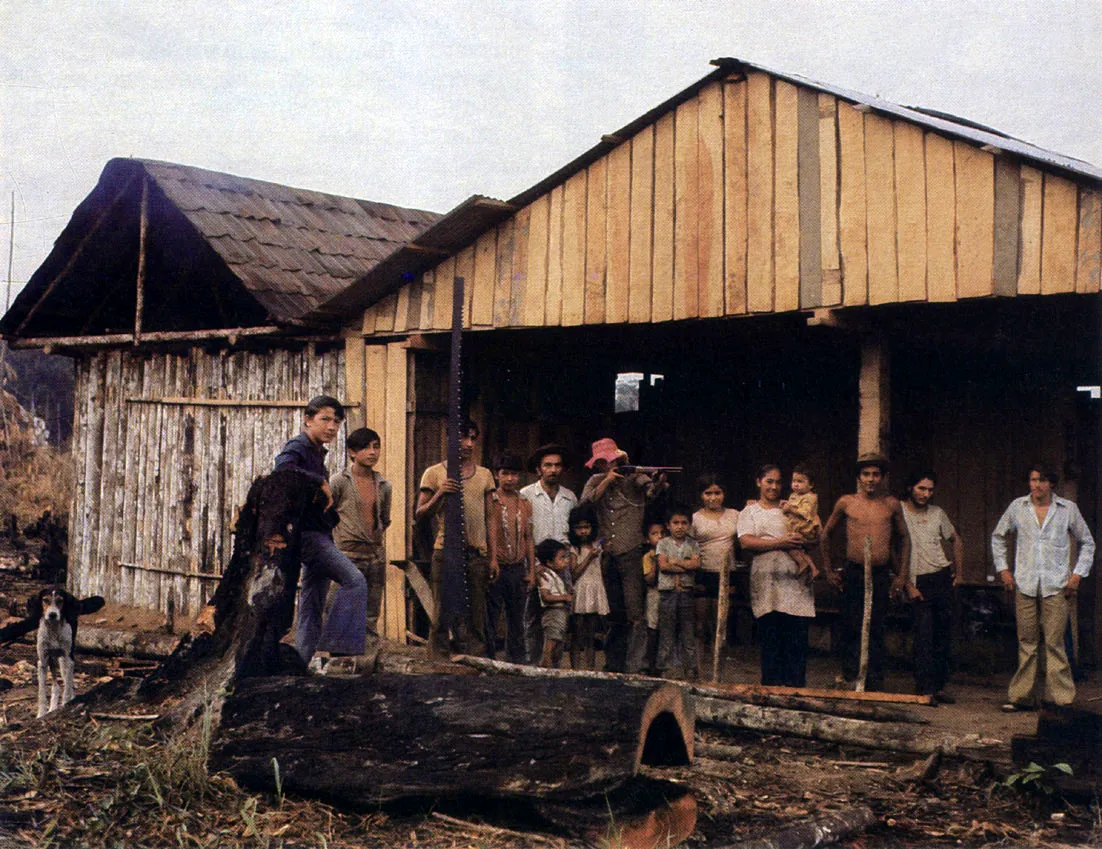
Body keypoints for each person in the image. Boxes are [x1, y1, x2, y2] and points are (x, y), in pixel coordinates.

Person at [273, 395, 368, 667]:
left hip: (319, 533)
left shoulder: (315, 452)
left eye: (337, 422)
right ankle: (339, 651)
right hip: (308, 537)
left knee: (311, 605)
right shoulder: (299, 445)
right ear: (307, 420)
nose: (331, 427)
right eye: (325, 419)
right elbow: (283, 470)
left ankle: (301, 663)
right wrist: (318, 482)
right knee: (354, 580)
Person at [992, 464, 1095, 711]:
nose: (1037, 485)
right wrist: (1003, 569)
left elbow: (1087, 543)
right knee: (1027, 641)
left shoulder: (1067, 509)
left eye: (1042, 480)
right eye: (1033, 480)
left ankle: (1060, 699)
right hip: (1026, 582)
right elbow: (998, 537)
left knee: (1054, 642)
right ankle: (1021, 697)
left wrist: (1077, 575)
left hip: (1056, 585)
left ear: (1051, 484)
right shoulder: (1018, 507)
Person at [821, 454, 910, 691]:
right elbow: (825, 534)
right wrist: (828, 571)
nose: (871, 479)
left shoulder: (891, 504)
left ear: (882, 478)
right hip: (854, 572)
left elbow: (905, 538)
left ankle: (874, 681)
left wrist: (901, 575)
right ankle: (850, 677)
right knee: (851, 625)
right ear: (859, 478)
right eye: (866, 475)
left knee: (877, 627)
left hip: (880, 573)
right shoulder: (847, 502)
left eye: (876, 475)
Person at [580, 438, 665, 673]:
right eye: (604, 463)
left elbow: (651, 491)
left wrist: (657, 483)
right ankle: (614, 663)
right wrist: (606, 481)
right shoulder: (595, 481)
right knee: (612, 613)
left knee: (636, 612)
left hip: (631, 553)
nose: (609, 466)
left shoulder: (635, 478)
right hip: (607, 555)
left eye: (612, 462)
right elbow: (584, 504)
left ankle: (636, 665)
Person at [414, 419, 497, 657]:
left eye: (472, 438)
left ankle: (474, 659)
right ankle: (438, 659)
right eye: (462, 437)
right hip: (445, 551)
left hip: (476, 554)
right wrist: (441, 492)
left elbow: (490, 518)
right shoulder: (434, 473)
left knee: (476, 613)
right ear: (450, 439)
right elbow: (419, 513)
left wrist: (492, 557)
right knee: (442, 610)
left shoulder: (485, 475)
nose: (468, 444)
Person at [738, 464, 816, 686]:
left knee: (796, 642)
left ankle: (796, 695)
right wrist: (780, 542)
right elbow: (746, 541)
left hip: (795, 582)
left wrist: (806, 539)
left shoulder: (791, 508)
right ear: (758, 482)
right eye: (769, 481)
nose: (774, 486)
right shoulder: (750, 512)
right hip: (767, 581)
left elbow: (811, 535)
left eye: (778, 482)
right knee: (770, 640)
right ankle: (771, 695)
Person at [898, 471, 962, 703]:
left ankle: (939, 687)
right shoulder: (899, 510)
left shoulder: (937, 513)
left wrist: (959, 574)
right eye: (921, 488)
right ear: (910, 488)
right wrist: (907, 583)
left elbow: (956, 540)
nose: (925, 494)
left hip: (941, 577)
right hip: (917, 580)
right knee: (923, 635)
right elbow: (895, 550)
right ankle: (924, 689)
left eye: (929, 490)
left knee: (942, 635)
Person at [329, 427, 391, 651]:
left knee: (371, 611)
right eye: (366, 448)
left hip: (374, 554)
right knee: (341, 607)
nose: (372, 452)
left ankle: (368, 659)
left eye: (376, 447)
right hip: (346, 555)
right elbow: (326, 514)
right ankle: (338, 658)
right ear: (352, 453)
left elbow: (385, 519)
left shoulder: (384, 485)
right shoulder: (339, 481)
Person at [521, 444, 577, 663]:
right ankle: (531, 665)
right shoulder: (526, 495)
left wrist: (571, 556)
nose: (553, 470)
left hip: (562, 568)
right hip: (536, 566)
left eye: (557, 465)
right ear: (539, 469)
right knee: (532, 618)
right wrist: (532, 565)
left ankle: (553, 665)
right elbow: (523, 533)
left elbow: (573, 532)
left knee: (560, 617)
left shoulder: (569, 497)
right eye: (548, 465)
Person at [486, 453, 535, 663]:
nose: (509, 479)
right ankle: (488, 660)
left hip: (517, 567)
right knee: (491, 616)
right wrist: (492, 560)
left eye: (514, 474)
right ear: (497, 475)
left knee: (517, 618)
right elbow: (488, 532)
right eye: (505, 474)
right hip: (497, 567)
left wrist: (531, 570)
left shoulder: (525, 503)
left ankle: (516, 662)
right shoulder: (491, 500)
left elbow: (528, 537)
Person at [691, 474, 740, 673]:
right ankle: (699, 667)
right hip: (703, 572)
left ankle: (718, 668)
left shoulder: (736, 515)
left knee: (721, 624)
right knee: (701, 624)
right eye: (708, 493)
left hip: (727, 573)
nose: (713, 497)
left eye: (717, 493)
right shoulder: (695, 518)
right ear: (701, 495)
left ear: (724, 494)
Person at [656, 506, 702, 679]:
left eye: (684, 523)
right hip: (667, 593)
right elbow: (664, 566)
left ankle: (690, 668)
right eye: (675, 523)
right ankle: (664, 668)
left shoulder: (693, 544)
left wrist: (675, 561)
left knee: (688, 631)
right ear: (668, 525)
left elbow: (696, 565)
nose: (680, 526)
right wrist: (685, 564)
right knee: (667, 632)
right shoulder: (663, 543)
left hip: (686, 592)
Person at [567, 504, 608, 669]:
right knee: (577, 634)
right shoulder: (573, 548)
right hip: (580, 591)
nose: (583, 531)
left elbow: (602, 570)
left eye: (587, 527)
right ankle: (575, 668)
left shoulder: (596, 546)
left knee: (591, 634)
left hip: (595, 590)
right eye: (579, 528)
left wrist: (604, 554)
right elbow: (574, 574)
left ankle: (590, 669)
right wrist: (589, 558)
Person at [536, 538, 574, 668]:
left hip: (561, 612)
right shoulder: (546, 576)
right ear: (550, 562)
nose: (566, 561)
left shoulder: (557, 576)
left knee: (558, 641)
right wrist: (563, 597)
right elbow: (546, 596)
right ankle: (545, 665)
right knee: (551, 641)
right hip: (553, 612)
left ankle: (553, 666)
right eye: (562, 558)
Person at [782, 464, 822, 580]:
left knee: (789, 544)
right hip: (798, 527)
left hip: (805, 528)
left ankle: (802, 563)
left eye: (800, 481)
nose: (796, 484)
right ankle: (814, 569)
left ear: (811, 485)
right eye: (794, 481)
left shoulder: (810, 497)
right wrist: (786, 505)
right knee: (801, 550)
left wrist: (789, 508)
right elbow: (792, 505)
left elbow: (805, 512)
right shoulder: (794, 495)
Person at [641, 521, 665, 673]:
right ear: (647, 539)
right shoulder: (647, 557)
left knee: (667, 628)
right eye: (654, 534)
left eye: (662, 533)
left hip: (670, 593)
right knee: (653, 627)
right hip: (654, 593)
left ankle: (663, 663)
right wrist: (656, 563)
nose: (659, 537)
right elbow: (649, 579)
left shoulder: (670, 552)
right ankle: (651, 664)